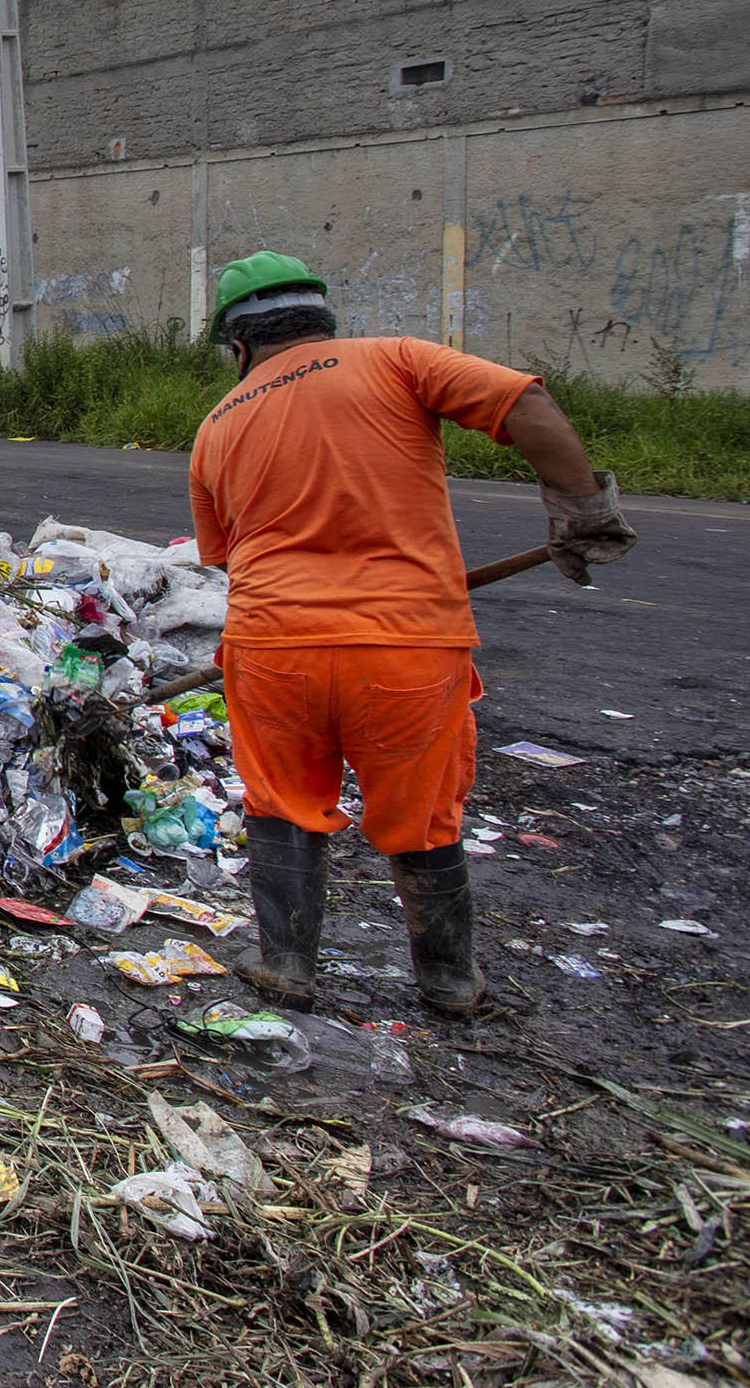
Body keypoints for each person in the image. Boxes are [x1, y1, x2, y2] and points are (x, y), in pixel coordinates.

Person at [186, 251, 635, 1020]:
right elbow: (524, 404)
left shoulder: (217, 427)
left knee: (283, 803)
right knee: (422, 811)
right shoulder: (398, 360)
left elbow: (227, 555)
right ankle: (450, 981)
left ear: (239, 348)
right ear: (324, 319)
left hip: (273, 644)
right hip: (406, 644)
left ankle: (287, 967)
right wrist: (580, 506)